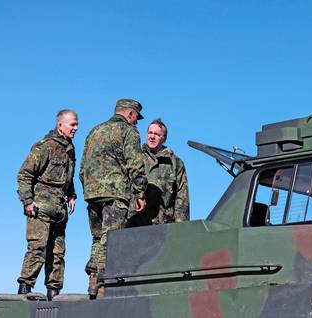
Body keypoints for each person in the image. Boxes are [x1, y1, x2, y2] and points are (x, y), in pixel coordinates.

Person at [79, 98, 147, 299]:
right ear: (130, 114)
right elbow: (135, 164)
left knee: (98, 238)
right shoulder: (128, 131)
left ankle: (93, 281)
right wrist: (139, 193)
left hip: (92, 194)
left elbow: (82, 169)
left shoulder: (95, 131)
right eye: (136, 118)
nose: (136, 122)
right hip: (115, 193)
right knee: (111, 240)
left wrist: (90, 189)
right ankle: (102, 286)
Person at [16, 109, 78, 301]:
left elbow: (68, 177)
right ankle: (25, 288)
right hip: (40, 208)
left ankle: (54, 292)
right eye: (72, 125)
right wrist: (27, 201)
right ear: (60, 125)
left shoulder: (69, 149)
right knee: (37, 248)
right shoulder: (45, 147)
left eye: (77, 125)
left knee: (58, 253)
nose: (76, 128)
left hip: (59, 210)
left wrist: (71, 195)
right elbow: (24, 174)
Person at [128, 118, 189, 227]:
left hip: (162, 226)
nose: (152, 137)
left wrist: (181, 228)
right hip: (135, 223)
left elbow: (182, 199)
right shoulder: (134, 158)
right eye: (150, 133)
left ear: (164, 139)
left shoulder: (175, 163)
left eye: (157, 134)